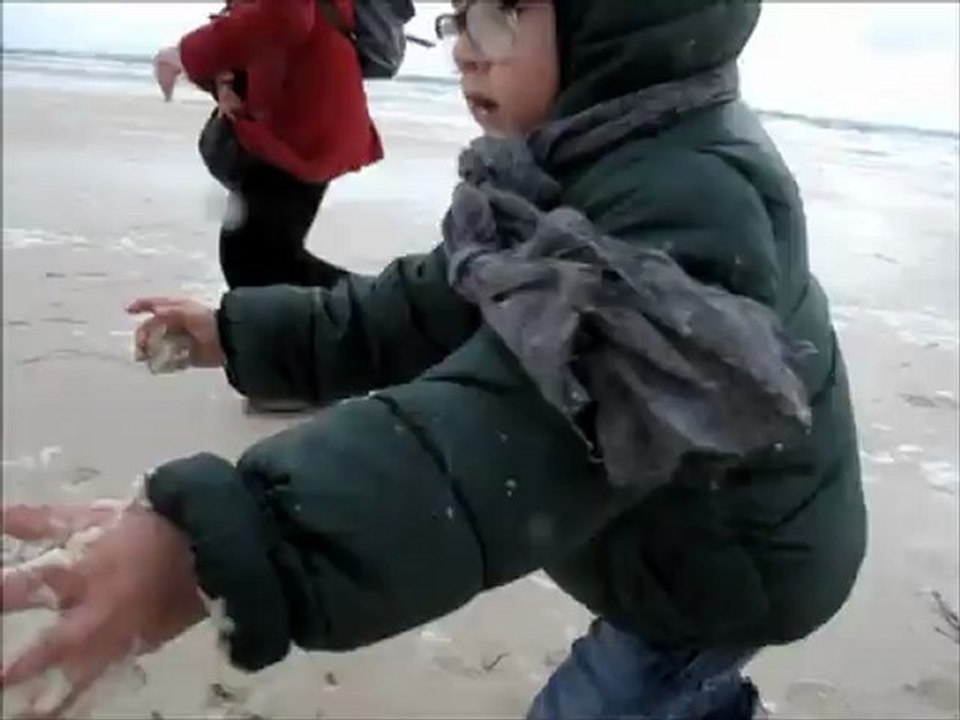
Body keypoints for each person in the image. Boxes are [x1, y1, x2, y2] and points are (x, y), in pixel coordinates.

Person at [0, 2, 867, 718]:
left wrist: (228, 541)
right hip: (661, 532)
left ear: (617, 20)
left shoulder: (693, 202)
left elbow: (505, 430)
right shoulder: (572, 166)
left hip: (727, 561)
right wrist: (246, 333)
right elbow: (426, 303)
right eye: (460, 17)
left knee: (628, 688)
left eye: (502, 13)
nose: (466, 52)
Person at [153, 0, 383, 290]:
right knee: (261, 261)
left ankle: (408, 313)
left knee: (257, 265)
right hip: (302, 112)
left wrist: (188, 54)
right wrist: (218, 74)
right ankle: (402, 311)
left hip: (298, 119)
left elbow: (285, 17)